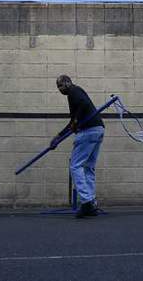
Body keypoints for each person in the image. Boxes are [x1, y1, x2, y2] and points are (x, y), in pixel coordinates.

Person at [50, 75, 105, 218]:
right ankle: (91, 202)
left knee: (75, 166)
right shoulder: (76, 93)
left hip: (88, 131)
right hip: (98, 129)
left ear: (68, 82)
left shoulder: (74, 91)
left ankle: (86, 202)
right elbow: (72, 122)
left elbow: (82, 105)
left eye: (61, 85)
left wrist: (76, 120)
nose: (60, 89)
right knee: (88, 167)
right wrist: (58, 137)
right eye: (58, 87)